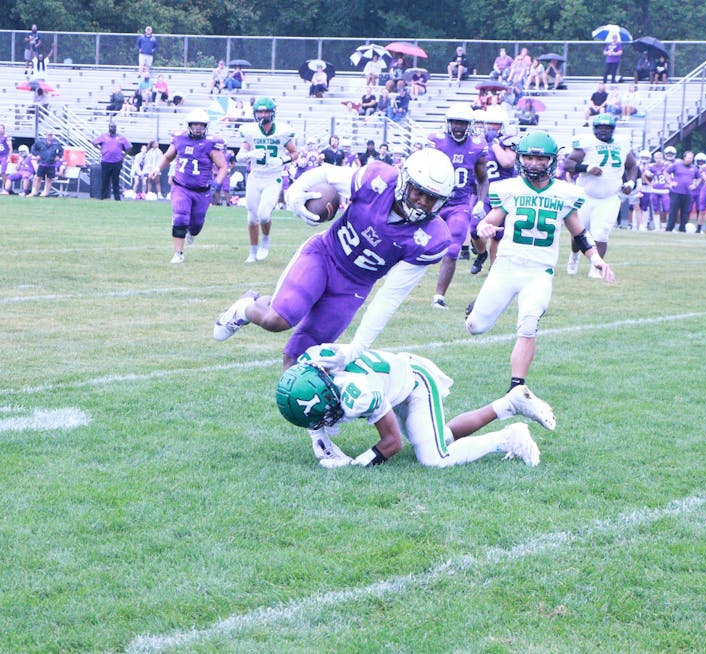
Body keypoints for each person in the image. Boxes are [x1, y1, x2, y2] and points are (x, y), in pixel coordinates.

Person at [211, 147, 455, 374]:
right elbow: (326, 173)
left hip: (353, 288)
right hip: (324, 255)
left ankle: (311, 417)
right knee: (277, 320)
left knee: (298, 358)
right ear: (405, 182)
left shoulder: (432, 238)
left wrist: (355, 349)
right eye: (418, 192)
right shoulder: (377, 180)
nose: (423, 201)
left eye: (431, 198)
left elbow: (390, 295)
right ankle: (243, 308)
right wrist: (295, 194)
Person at [468, 131, 615, 394]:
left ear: (551, 161)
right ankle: (475, 309)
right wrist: (483, 228)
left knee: (529, 321)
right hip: (506, 267)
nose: (534, 163)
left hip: (539, 272)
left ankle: (517, 388)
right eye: (529, 157)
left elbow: (578, 232)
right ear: (520, 159)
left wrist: (596, 258)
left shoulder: (565, 193)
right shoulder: (509, 188)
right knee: (475, 327)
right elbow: (488, 221)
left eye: (540, 158)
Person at [276, 346, 550, 468]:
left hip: (413, 383)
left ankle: (510, 439)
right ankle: (510, 403)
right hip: (390, 380)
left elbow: (392, 443)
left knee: (434, 459)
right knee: (440, 439)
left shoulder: (357, 394)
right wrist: (320, 439)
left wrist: (355, 465)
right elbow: (313, 414)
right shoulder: (310, 364)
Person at [427, 103, 489, 309]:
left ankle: (439, 297)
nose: (459, 127)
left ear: (470, 125)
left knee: (453, 248)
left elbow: (482, 178)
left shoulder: (477, 146)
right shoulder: (437, 142)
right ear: (448, 123)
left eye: (463, 123)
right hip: (432, 201)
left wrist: (481, 200)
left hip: (459, 204)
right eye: (455, 122)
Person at [564, 114, 638, 277]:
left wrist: (631, 183)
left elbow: (632, 166)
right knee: (578, 233)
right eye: (600, 128)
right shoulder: (587, 143)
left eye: (607, 128)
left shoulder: (622, 143)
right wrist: (587, 168)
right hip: (586, 195)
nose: (604, 131)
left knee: (601, 233)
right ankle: (574, 256)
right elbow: (568, 164)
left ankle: (595, 267)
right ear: (594, 129)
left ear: (613, 129)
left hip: (610, 197)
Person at [156, 109, 229, 264]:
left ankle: (191, 233)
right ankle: (178, 253)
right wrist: (157, 169)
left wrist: (217, 183)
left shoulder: (211, 143)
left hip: (202, 190)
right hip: (181, 186)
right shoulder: (179, 138)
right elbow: (168, 156)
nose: (198, 127)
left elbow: (223, 166)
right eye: (195, 124)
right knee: (181, 217)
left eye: (201, 125)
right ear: (189, 125)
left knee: (196, 225)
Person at [235, 97, 298, 262]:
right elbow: (239, 156)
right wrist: (250, 154)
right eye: (260, 111)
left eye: (266, 111)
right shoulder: (251, 131)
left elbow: (294, 153)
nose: (263, 114)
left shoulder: (282, 131)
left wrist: (282, 160)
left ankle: (266, 238)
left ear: (272, 113)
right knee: (251, 217)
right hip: (255, 177)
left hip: (273, 177)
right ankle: (252, 252)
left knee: (263, 215)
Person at [469, 105, 517, 274]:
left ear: (503, 125)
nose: (491, 127)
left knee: (497, 236)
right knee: (474, 230)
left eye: (495, 124)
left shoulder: (508, 142)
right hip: (484, 193)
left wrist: (496, 145)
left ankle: (493, 270)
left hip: (503, 195)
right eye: (488, 123)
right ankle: (481, 254)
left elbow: (507, 163)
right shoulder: (478, 141)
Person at [93, 122, 131, 201]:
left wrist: (123, 156)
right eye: (111, 127)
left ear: (116, 128)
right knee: (104, 180)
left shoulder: (121, 137)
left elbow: (129, 147)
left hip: (117, 162)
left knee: (116, 181)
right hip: (106, 161)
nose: (112, 128)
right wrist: (101, 149)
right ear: (108, 127)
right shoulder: (103, 136)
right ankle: (102, 197)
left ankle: (117, 198)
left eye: (114, 127)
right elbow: (94, 142)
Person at [665, 149, 698, 233]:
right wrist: (670, 182)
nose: (690, 160)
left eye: (691, 158)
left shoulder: (694, 168)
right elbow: (666, 172)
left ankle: (682, 229)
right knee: (673, 211)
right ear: (684, 158)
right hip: (676, 192)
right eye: (688, 158)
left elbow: (699, 177)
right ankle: (669, 229)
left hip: (687, 193)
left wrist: (695, 185)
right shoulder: (676, 165)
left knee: (685, 212)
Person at [28, 132, 62, 198]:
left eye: (51, 135)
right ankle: (35, 192)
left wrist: (58, 156)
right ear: (46, 136)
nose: (50, 136)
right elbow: (33, 148)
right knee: (38, 178)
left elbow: (61, 151)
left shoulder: (56, 143)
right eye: (48, 135)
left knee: (49, 179)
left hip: (51, 164)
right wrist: (37, 155)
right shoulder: (40, 142)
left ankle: (46, 193)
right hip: (42, 163)